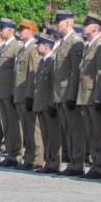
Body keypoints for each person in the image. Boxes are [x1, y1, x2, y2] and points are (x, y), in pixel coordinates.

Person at [76, 14, 101, 179]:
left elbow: (100, 74)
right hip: (85, 95)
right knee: (91, 132)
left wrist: (98, 97)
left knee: (99, 133)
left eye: (87, 25)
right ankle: (95, 164)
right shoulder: (89, 46)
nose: (84, 27)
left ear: (95, 28)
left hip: (93, 95)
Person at [52, 10, 86, 176]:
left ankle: (77, 163)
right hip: (60, 93)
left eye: (59, 22)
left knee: (75, 130)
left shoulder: (75, 42)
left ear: (68, 23)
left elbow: (75, 71)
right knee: (68, 130)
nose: (56, 25)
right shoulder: (64, 42)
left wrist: (72, 95)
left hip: (68, 93)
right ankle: (72, 161)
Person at [13, 19, 41, 170]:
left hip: (27, 95)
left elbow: (33, 74)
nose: (20, 32)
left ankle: (37, 159)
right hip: (20, 94)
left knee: (33, 129)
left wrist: (30, 95)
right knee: (26, 129)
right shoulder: (22, 50)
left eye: (23, 29)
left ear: (30, 31)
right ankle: (29, 158)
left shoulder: (33, 49)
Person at [0, 18, 21, 167]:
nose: (0, 31)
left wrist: (13, 91)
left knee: (13, 125)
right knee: (6, 125)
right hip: (1, 91)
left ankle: (16, 154)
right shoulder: (3, 47)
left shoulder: (15, 46)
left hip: (9, 92)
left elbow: (16, 72)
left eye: (3, 28)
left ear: (10, 30)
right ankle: (10, 153)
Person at [33, 33, 60, 173]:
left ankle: (54, 163)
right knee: (45, 135)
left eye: (39, 44)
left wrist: (52, 103)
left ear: (47, 46)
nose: (37, 46)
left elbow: (53, 85)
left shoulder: (52, 62)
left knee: (53, 135)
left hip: (48, 104)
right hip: (41, 104)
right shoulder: (43, 61)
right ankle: (48, 161)